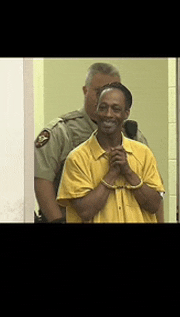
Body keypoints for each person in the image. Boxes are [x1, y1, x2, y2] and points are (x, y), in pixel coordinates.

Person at [34, 62, 156, 223]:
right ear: (86, 91)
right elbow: (42, 180)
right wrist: (56, 221)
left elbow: (155, 197)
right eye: (99, 91)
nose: (108, 95)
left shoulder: (133, 136)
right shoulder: (62, 131)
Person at [57, 83, 165, 223]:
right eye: (103, 108)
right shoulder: (77, 158)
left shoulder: (143, 153)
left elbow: (154, 205)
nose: (108, 114)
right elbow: (85, 211)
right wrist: (111, 174)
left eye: (116, 109)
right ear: (96, 111)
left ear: (126, 113)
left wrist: (128, 172)